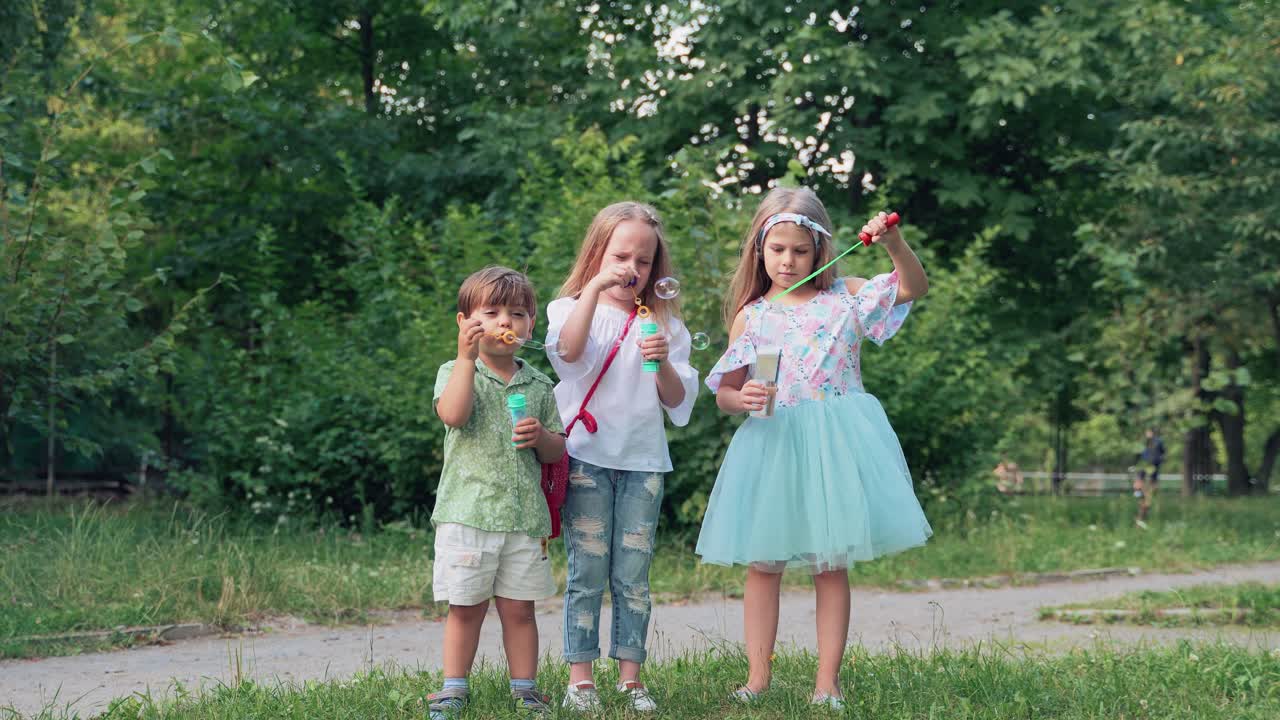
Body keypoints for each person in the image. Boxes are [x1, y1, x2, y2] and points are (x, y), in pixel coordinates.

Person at [697, 187, 933, 709]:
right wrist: (744, 398)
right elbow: (727, 392)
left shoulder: (846, 295)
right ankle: (758, 677)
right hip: (774, 442)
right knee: (763, 562)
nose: (787, 260)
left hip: (835, 443)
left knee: (831, 563)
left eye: (799, 251)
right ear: (759, 249)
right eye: (776, 249)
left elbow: (913, 287)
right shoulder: (753, 315)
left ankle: (828, 682)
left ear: (821, 249)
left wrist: (893, 242)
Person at [545, 201, 700, 713]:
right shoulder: (570, 310)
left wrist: (662, 365)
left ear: (657, 269)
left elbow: (677, 402)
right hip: (586, 456)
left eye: (644, 261)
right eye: (620, 256)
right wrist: (591, 289)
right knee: (586, 571)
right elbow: (568, 356)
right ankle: (580, 678)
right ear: (597, 254)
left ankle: (632, 679)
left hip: (643, 464)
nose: (630, 270)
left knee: (632, 575)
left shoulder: (664, 325)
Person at [427, 267, 566, 719]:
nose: (506, 321)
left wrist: (541, 436)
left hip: (524, 518)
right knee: (465, 608)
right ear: (465, 322)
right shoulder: (454, 370)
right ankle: (453, 689)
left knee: (520, 611)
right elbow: (452, 414)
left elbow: (556, 451)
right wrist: (465, 359)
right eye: (492, 312)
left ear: (530, 326)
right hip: (468, 514)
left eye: (518, 313)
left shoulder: (540, 384)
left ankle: (525, 690)